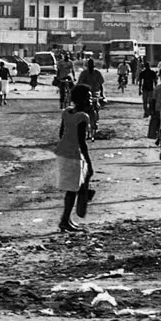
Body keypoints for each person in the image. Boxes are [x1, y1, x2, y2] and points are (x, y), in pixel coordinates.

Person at [57, 82, 96, 232]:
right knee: (73, 189)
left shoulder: (66, 112)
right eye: (89, 97)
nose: (91, 100)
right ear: (82, 99)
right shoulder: (83, 117)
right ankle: (65, 220)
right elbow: (82, 143)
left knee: (73, 188)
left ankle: (67, 219)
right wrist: (89, 163)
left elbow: (61, 133)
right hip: (74, 155)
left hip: (63, 152)